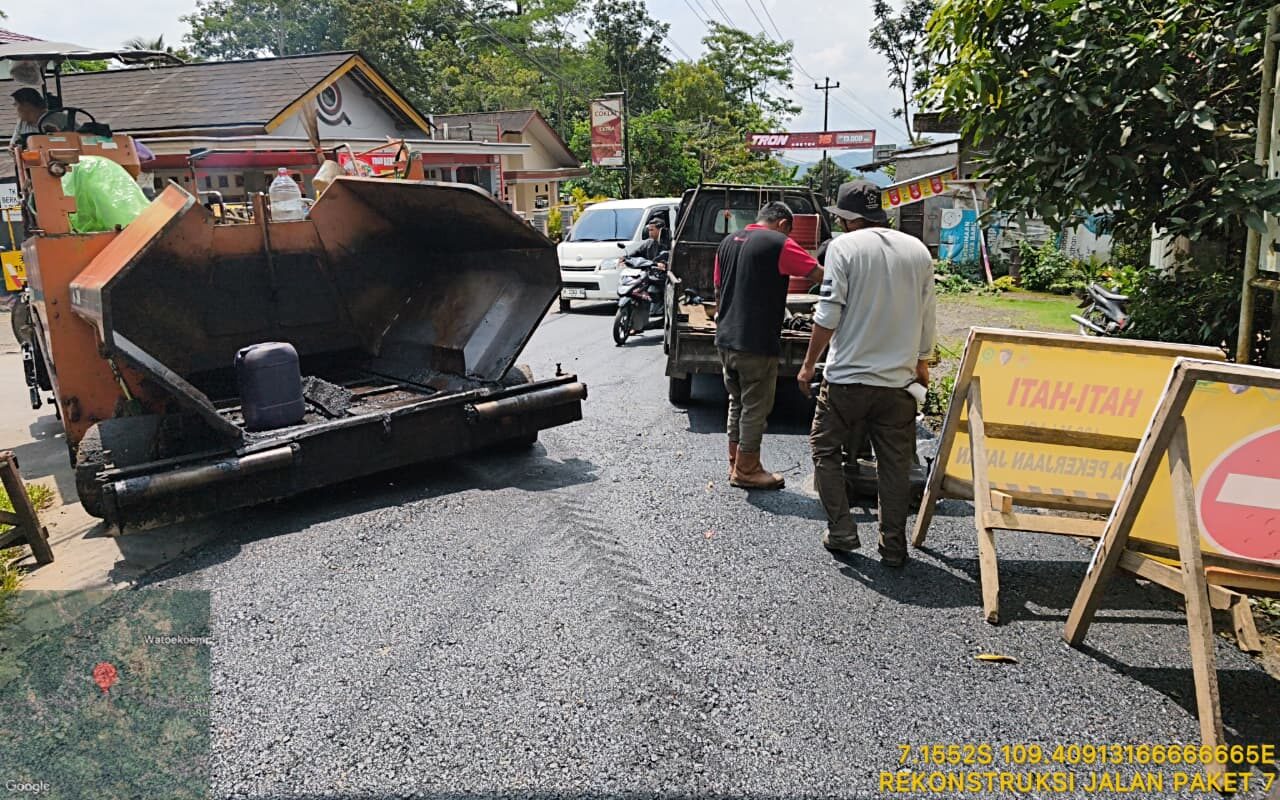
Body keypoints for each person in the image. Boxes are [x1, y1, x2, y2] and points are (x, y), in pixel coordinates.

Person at [798, 180, 935, 567]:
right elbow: (928, 317)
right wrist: (922, 363)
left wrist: (809, 365)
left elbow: (828, 313)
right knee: (893, 464)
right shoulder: (918, 250)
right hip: (898, 383)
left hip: (847, 380)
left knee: (825, 448)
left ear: (846, 219)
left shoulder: (844, 248)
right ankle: (893, 546)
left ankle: (842, 529)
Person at [715, 201, 823, 489]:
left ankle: (735, 461)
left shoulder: (727, 242)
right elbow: (819, 274)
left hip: (725, 339)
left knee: (737, 401)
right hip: (756, 341)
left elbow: (718, 286)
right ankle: (747, 470)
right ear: (784, 225)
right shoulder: (778, 242)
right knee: (755, 406)